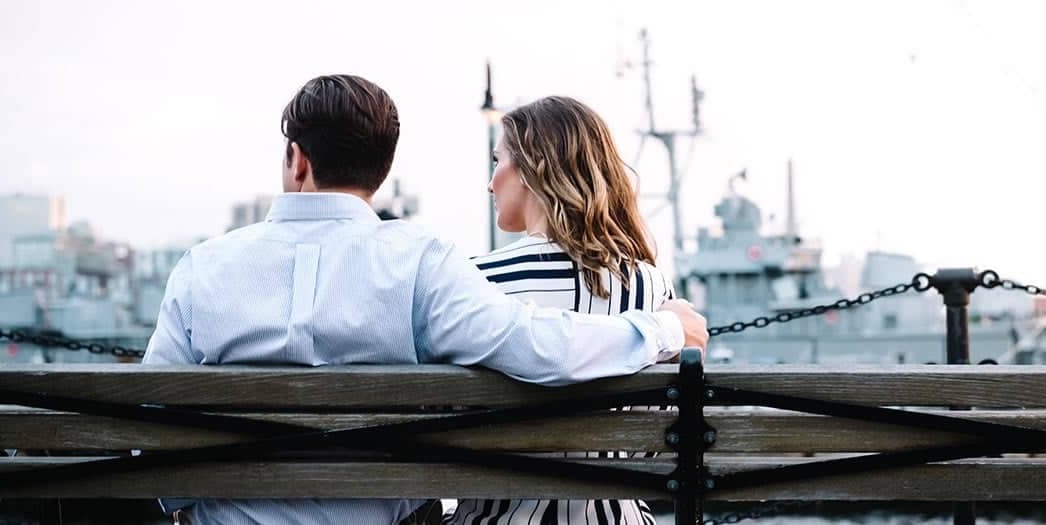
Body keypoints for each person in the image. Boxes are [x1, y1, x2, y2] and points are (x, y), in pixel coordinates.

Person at [141, 75, 708, 525]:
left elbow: (147, 429)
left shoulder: (200, 269)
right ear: (381, 171)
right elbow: (536, 348)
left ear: (297, 159)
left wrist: (196, 508)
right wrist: (660, 330)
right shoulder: (419, 263)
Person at [449, 96, 669, 525]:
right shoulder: (650, 286)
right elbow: (653, 441)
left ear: (533, 169)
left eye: (498, 161)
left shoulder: (472, 281)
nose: (491, 183)